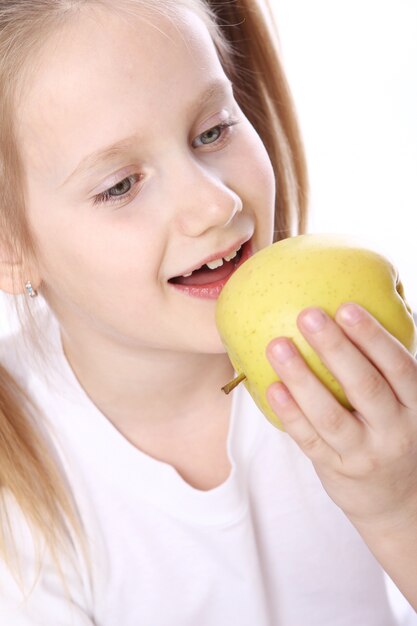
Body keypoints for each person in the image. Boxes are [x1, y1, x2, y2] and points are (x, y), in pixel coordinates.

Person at [0, 0, 415, 624]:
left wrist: (397, 502)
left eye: (213, 130)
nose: (214, 204)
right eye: (120, 185)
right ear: (11, 245)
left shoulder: (359, 369)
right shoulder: (19, 497)